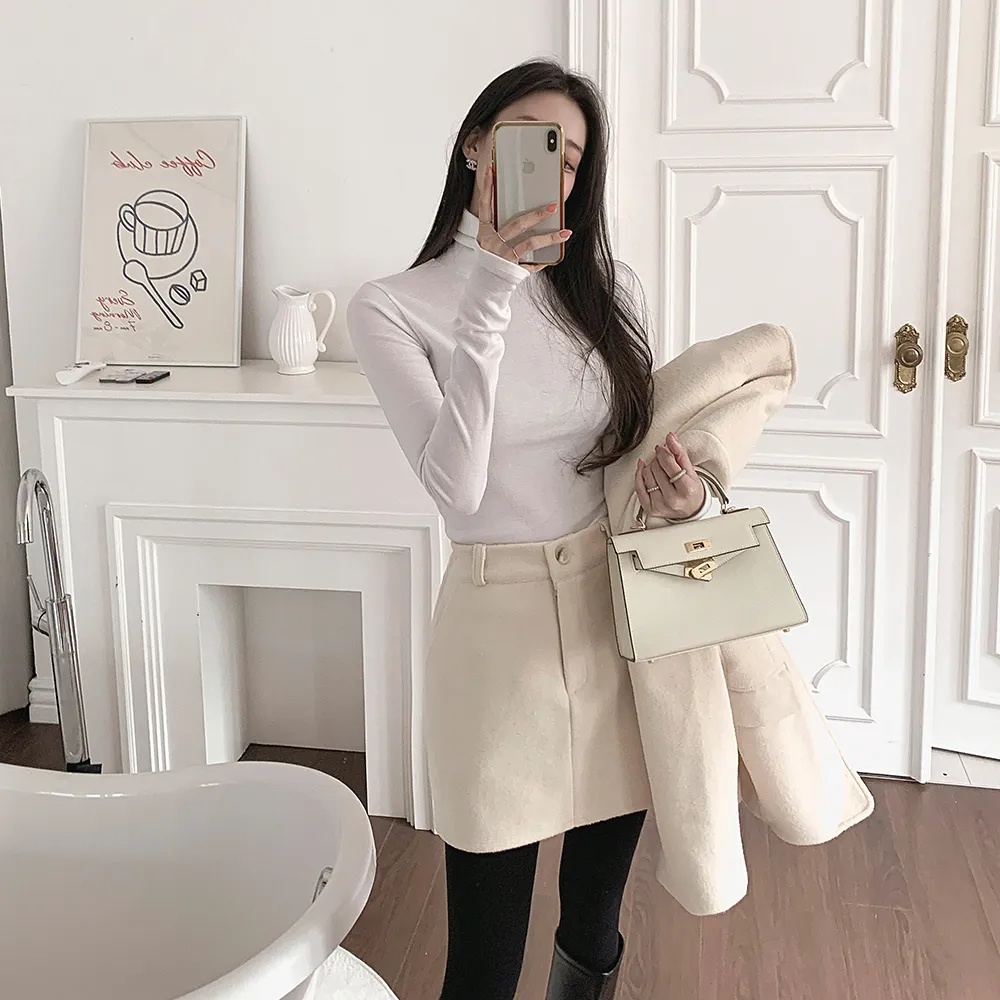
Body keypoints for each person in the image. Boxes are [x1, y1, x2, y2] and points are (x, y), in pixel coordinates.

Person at [347, 60, 716, 1000]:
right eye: (533, 140)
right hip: (495, 640)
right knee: (485, 953)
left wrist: (685, 502)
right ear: (478, 145)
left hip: (612, 620)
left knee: (594, 921)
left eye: (572, 158)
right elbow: (459, 491)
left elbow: (630, 454)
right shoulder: (391, 306)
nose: (552, 170)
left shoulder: (602, 290)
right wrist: (491, 290)